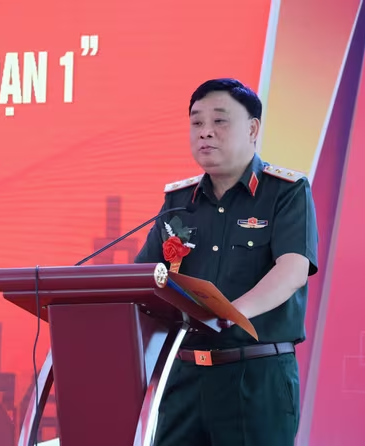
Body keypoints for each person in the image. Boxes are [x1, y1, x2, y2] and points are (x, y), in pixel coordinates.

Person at [134, 78, 319, 446]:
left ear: (252, 129)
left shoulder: (286, 191)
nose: (205, 132)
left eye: (219, 121)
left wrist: (228, 314)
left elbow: (293, 270)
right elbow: (144, 279)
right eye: (197, 122)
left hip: (256, 376)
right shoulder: (178, 202)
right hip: (184, 378)